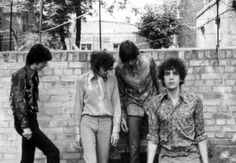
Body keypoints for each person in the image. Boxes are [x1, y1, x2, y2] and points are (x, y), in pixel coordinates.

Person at [146, 57, 209, 163]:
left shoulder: (194, 101)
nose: (171, 77)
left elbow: (200, 136)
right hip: (167, 157)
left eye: (175, 73)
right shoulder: (155, 103)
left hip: (190, 156)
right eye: (167, 74)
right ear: (163, 77)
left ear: (181, 78)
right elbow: (153, 138)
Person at [9, 44, 60, 163]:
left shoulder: (33, 75)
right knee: (53, 152)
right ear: (36, 61)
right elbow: (18, 102)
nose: (45, 65)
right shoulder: (20, 75)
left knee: (27, 158)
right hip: (24, 122)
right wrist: (25, 126)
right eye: (44, 62)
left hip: (32, 120)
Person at [115, 40, 160, 163]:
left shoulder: (148, 60)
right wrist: (123, 115)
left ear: (137, 54)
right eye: (127, 60)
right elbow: (121, 93)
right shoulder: (119, 69)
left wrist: (162, 104)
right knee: (133, 145)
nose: (130, 62)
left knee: (156, 139)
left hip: (151, 100)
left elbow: (158, 82)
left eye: (132, 59)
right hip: (133, 103)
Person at [74, 50, 121, 163]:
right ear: (96, 66)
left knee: (103, 160)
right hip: (88, 122)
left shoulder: (113, 80)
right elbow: (78, 106)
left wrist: (116, 130)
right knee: (91, 161)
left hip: (106, 123)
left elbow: (116, 104)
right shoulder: (82, 81)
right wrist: (77, 132)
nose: (108, 71)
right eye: (105, 68)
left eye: (109, 68)